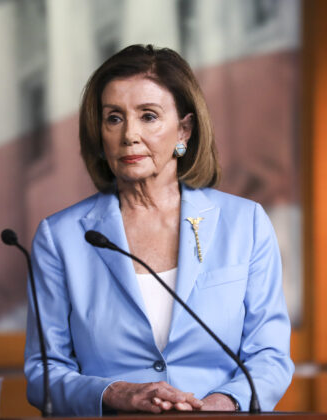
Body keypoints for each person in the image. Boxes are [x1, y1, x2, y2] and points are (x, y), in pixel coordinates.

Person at [23, 44, 293, 416]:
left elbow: (270, 355)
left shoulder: (244, 224)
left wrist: (221, 404)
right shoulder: (60, 238)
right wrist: (117, 394)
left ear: (184, 129)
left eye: (148, 116)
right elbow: (43, 373)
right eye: (114, 118)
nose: (129, 134)